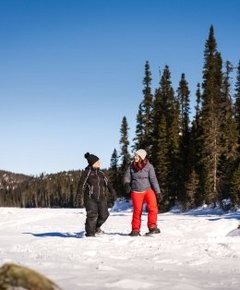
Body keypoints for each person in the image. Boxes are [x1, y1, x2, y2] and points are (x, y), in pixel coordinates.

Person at [76, 152, 116, 237]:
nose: (99, 163)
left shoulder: (101, 173)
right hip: (90, 198)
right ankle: (90, 234)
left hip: (101, 198)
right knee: (92, 216)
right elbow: (81, 184)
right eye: (97, 162)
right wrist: (78, 195)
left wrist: (112, 191)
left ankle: (96, 227)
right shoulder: (87, 172)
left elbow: (107, 183)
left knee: (104, 215)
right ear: (93, 163)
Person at [124, 149, 161, 236]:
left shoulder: (149, 166)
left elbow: (153, 179)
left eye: (137, 155)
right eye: (135, 155)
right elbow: (127, 177)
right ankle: (135, 230)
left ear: (141, 157)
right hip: (136, 191)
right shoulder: (131, 166)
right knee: (137, 211)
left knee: (153, 208)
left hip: (148, 190)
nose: (135, 157)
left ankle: (152, 227)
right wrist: (126, 184)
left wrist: (158, 192)